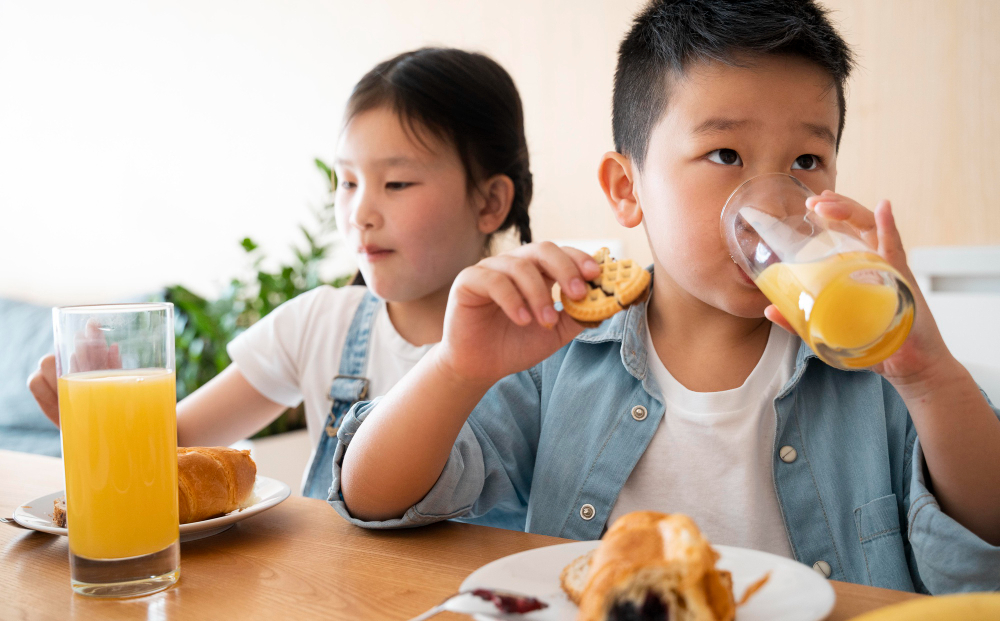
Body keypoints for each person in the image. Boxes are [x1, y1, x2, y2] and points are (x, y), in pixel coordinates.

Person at [333, 0, 1000, 594]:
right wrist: (456, 369)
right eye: (725, 154)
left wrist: (930, 377)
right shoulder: (558, 352)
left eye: (806, 162)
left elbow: (983, 547)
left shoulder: (870, 362)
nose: (771, 201)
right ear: (627, 189)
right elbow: (372, 496)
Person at [27, 47, 534, 499]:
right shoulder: (319, 323)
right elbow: (169, 444)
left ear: (489, 202)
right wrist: (102, 415)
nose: (360, 213)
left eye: (397, 183)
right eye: (348, 181)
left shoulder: (537, 346)